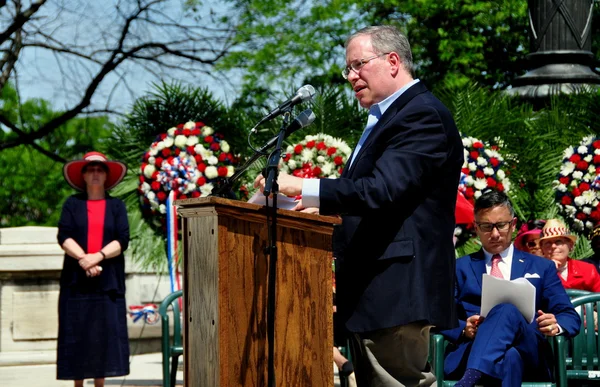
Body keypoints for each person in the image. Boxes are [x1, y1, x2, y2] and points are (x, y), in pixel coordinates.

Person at [255, 25, 463, 386]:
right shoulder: (389, 117)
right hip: (374, 290)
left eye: (358, 65)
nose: (351, 76)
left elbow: (382, 189)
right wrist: (326, 213)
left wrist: (302, 185)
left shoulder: (420, 115)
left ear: (393, 61)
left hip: (397, 288)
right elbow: (389, 201)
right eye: (347, 69)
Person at [442, 190, 580, 387]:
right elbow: (439, 314)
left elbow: (570, 316)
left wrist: (555, 324)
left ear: (513, 224)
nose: (495, 234)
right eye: (487, 227)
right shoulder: (460, 268)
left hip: (530, 350)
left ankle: (469, 379)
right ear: (476, 228)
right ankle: (473, 375)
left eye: (501, 225)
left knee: (506, 309)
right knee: (510, 356)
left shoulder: (540, 267)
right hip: (474, 349)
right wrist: (464, 328)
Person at [56, 151, 130, 387]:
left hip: (108, 283)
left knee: (103, 337)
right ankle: (77, 384)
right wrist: (84, 260)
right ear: (84, 176)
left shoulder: (116, 206)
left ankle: (100, 384)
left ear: (106, 176)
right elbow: (63, 236)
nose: (96, 173)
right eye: (91, 169)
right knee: (76, 336)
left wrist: (97, 257)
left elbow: (123, 239)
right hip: (76, 283)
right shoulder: (72, 204)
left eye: (100, 169)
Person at [540, 218, 600, 292]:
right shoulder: (535, 273)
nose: (553, 246)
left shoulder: (588, 270)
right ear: (542, 248)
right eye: (548, 243)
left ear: (570, 245)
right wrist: (550, 273)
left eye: (558, 241)